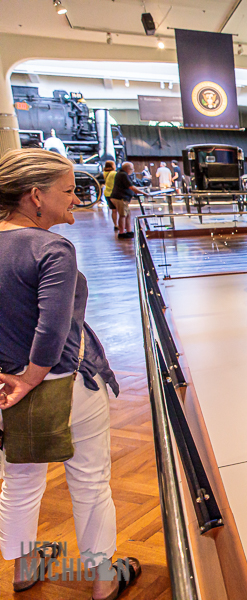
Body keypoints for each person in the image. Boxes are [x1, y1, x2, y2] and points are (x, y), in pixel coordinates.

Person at [0, 148, 141, 599]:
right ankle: (102, 581)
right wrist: (32, 377)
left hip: (6, 389)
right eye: (68, 190)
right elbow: (52, 327)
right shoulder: (51, 248)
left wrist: (12, 380)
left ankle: (23, 570)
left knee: (19, 481)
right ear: (36, 196)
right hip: (63, 384)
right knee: (90, 480)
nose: (77, 198)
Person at [109, 162, 141, 239]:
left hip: (121, 197)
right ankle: (122, 232)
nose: (133, 170)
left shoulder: (122, 174)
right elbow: (131, 186)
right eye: (132, 168)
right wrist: (143, 193)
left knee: (127, 214)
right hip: (121, 198)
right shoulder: (123, 175)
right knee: (123, 215)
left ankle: (129, 230)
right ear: (127, 169)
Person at [101, 160, 118, 231]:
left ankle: (115, 224)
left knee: (113, 211)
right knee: (119, 211)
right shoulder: (114, 173)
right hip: (114, 192)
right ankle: (121, 225)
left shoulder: (104, 173)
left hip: (106, 193)